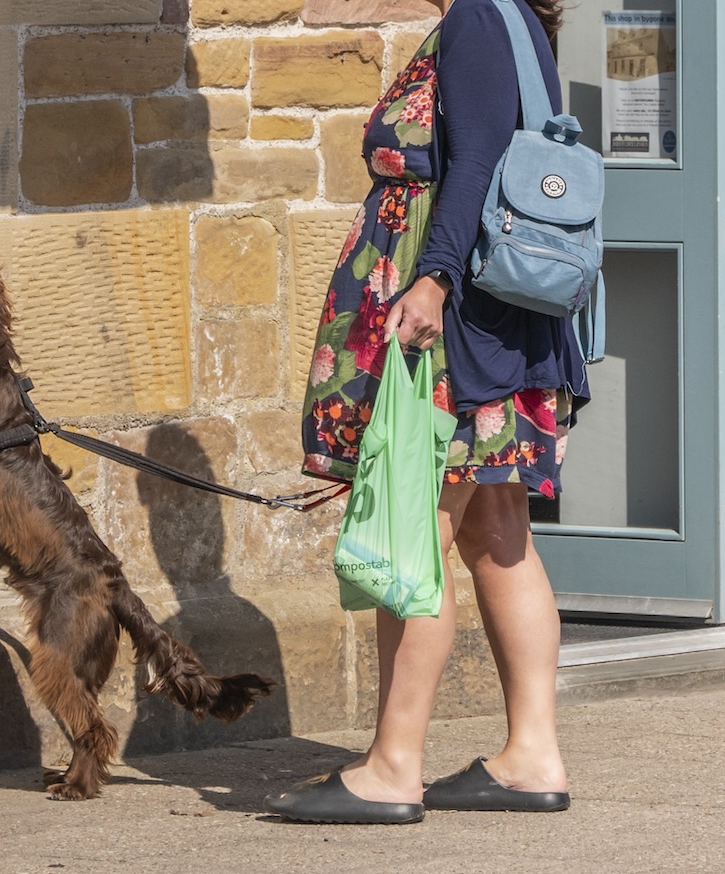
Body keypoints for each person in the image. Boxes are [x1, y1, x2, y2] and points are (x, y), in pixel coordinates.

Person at [266, 0, 588, 825]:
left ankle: (393, 764)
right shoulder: (512, 18)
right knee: (496, 531)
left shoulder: (481, 16)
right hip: (501, 327)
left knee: (417, 530)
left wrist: (434, 279)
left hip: (456, 326)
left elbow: (477, 159)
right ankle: (531, 753)